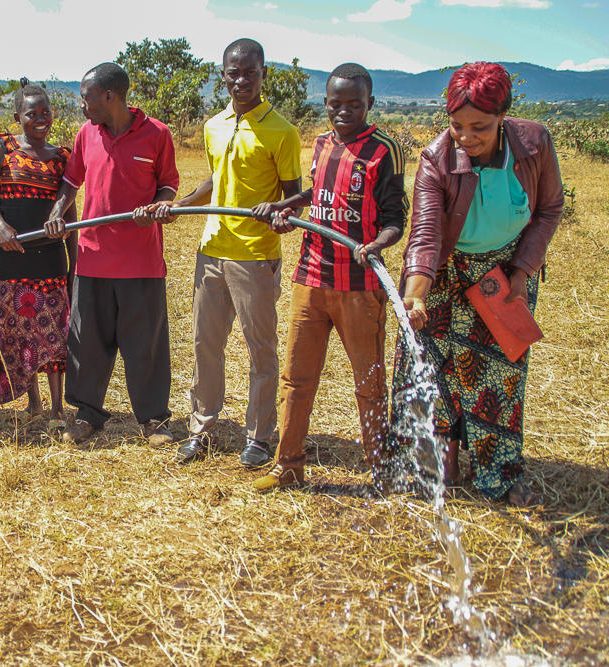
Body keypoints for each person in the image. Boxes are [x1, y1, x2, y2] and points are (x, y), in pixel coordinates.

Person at [392, 62, 562, 507]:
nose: (466, 138)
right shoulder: (437, 159)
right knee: (431, 370)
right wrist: (415, 295)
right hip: (443, 276)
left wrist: (522, 274)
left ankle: (500, 474)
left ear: (504, 115)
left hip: (505, 276)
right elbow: (426, 234)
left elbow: (549, 209)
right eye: (457, 126)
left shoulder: (534, 144)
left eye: (479, 127)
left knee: (499, 378)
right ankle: (436, 462)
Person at [253, 63, 408, 489]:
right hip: (311, 278)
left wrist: (379, 243)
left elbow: (397, 217)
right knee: (296, 379)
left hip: (359, 288)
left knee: (368, 384)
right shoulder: (320, 143)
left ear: (369, 105)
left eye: (354, 105)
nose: (344, 112)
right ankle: (288, 466)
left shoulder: (384, 150)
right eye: (336, 104)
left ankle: (381, 470)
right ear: (325, 104)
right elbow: (317, 195)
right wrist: (287, 207)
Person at [156, 38, 302, 467]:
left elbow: (294, 198)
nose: (241, 81)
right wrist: (179, 205)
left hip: (255, 256)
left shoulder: (283, 131)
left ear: (262, 74)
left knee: (260, 349)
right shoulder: (214, 124)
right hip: (211, 251)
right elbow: (214, 184)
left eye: (250, 73)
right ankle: (201, 429)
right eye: (233, 74)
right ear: (223, 76)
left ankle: (259, 436)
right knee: (205, 344)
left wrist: (278, 211)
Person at [44, 62, 180, 447]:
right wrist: (57, 212)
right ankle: (87, 414)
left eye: (86, 97)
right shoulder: (87, 133)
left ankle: (153, 419)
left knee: (145, 343)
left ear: (109, 96)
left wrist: (157, 206)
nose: (82, 104)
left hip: (141, 261)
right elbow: (72, 181)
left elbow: (168, 185)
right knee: (87, 341)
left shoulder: (157, 134)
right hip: (93, 257)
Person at [0, 81, 75, 428]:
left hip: (50, 260)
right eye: (31, 113)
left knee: (54, 337)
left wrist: (73, 264)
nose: (40, 118)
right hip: (13, 260)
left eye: (45, 112)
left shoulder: (62, 156)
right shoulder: (2, 149)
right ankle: (33, 404)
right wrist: (1, 226)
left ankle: (57, 409)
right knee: (22, 335)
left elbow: (71, 213)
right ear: (18, 116)